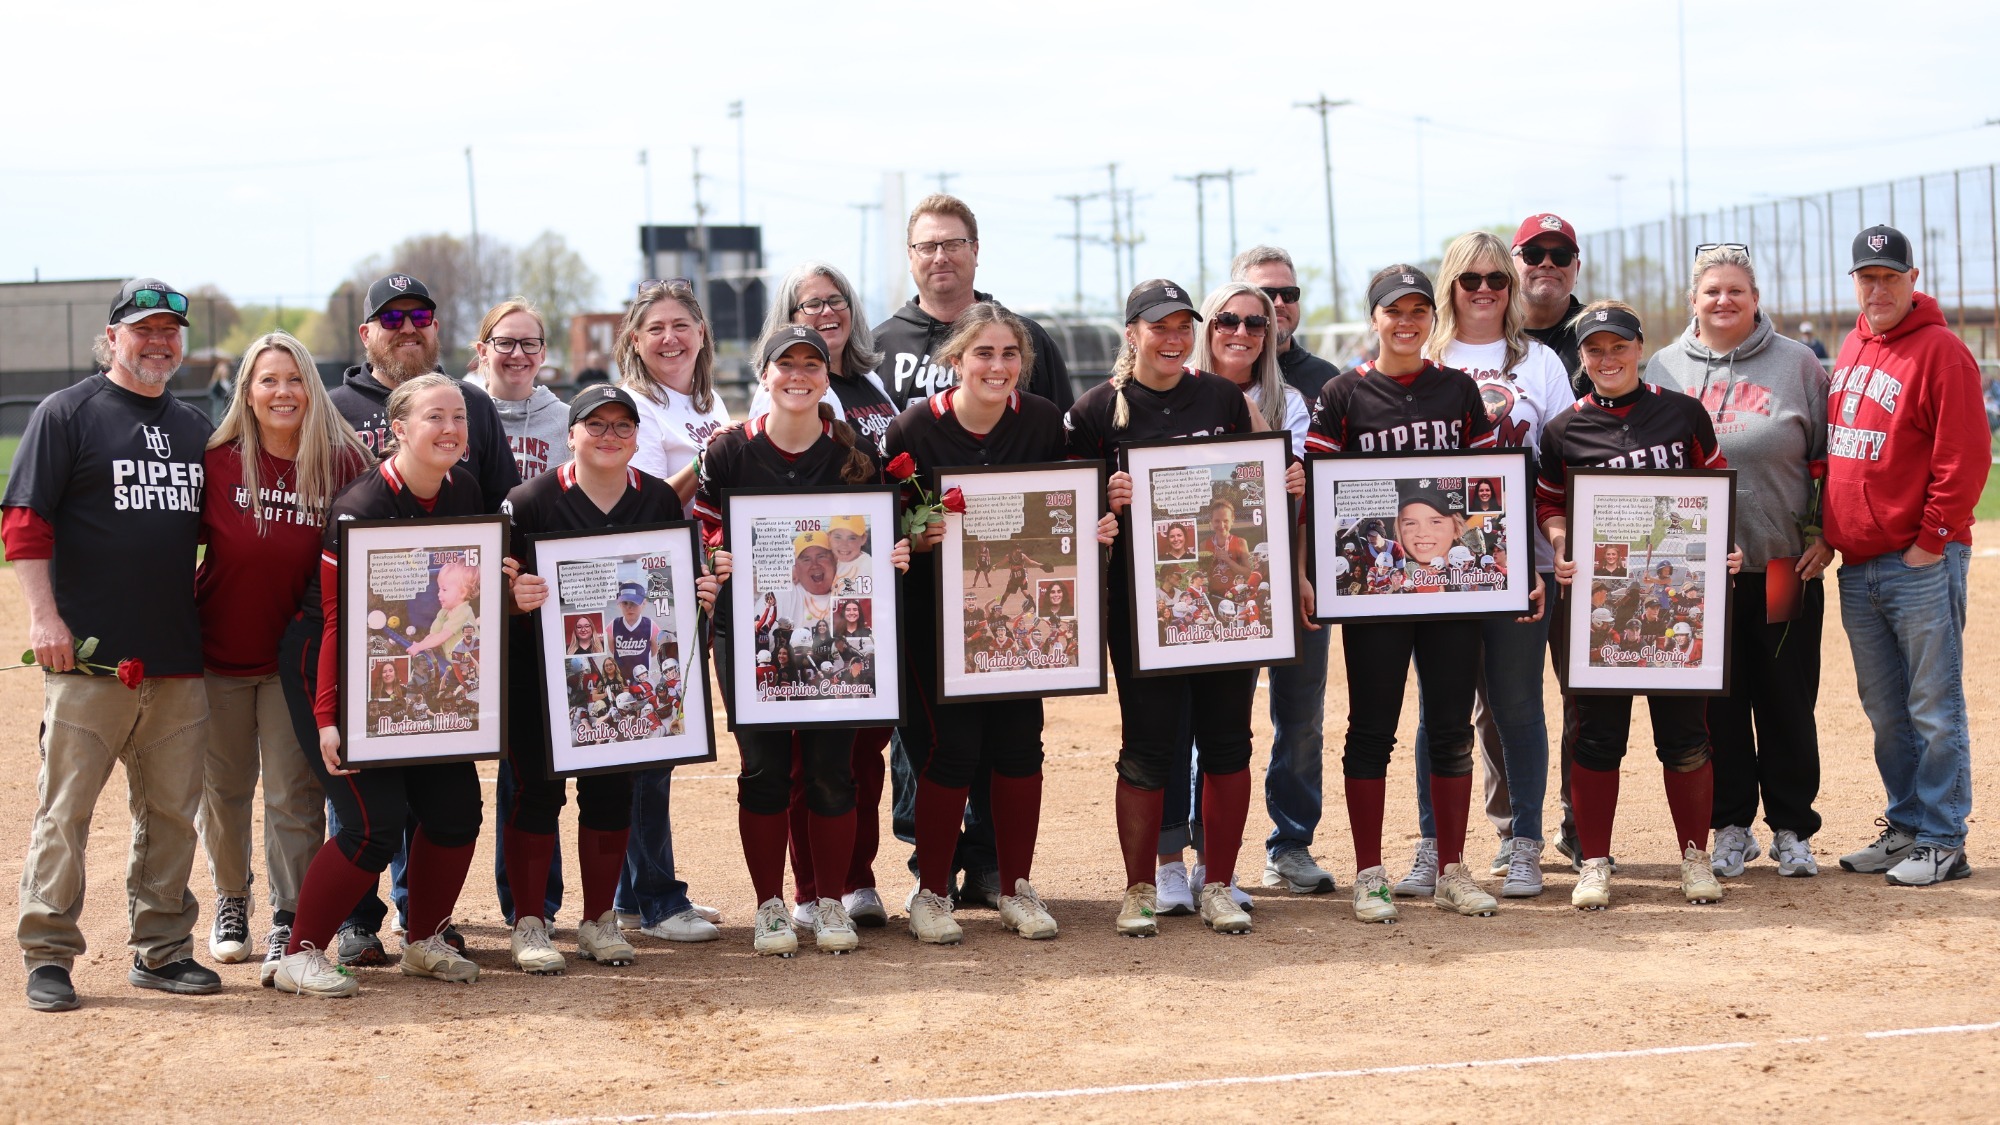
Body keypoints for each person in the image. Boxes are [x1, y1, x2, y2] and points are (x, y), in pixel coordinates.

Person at [5, 278, 220, 1012]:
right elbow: (25, 527)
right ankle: (48, 953)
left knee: (169, 814)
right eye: (144, 329)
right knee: (65, 812)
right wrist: (43, 618)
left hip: (176, 656)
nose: (158, 341)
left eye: (169, 331)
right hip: (89, 658)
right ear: (113, 336)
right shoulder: (66, 414)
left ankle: (160, 947)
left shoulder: (197, 428)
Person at [1066, 279, 1304, 938]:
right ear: (1132, 333)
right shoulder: (1095, 410)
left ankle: (1219, 883)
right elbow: (1066, 514)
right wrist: (1099, 502)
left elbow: (1264, 464)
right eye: (1158, 326)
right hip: (1143, 612)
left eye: (1181, 326)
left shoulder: (1222, 396)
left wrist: (1282, 475)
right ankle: (1141, 886)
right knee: (1146, 750)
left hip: (1226, 608)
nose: (1172, 338)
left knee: (1229, 742)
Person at [886, 301, 1118, 943]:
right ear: (954, 359)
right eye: (983, 353)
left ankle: (1015, 885)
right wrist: (919, 536)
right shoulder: (912, 430)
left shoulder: (1043, 422)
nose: (997, 365)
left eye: (1009, 354)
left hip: (1018, 623)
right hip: (937, 624)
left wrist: (1093, 522)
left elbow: (1065, 504)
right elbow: (893, 524)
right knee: (949, 750)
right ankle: (932, 892)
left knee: (1020, 746)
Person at [688, 324, 912, 956]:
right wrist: (714, 556)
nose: (799, 376)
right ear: (765, 376)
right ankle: (769, 906)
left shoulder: (853, 458)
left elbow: (870, 542)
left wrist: (889, 551)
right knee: (762, 771)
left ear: (825, 376)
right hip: (753, 632)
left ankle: (831, 902)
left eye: (811, 365)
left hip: (836, 635)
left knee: (831, 774)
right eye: (785, 365)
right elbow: (703, 528)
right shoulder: (729, 453)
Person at [265, 375, 491, 997]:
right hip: (333, 664)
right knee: (373, 822)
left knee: (454, 809)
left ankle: (423, 940)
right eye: (434, 418)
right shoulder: (360, 506)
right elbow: (338, 621)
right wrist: (329, 717)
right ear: (398, 429)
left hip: (411, 663)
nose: (450, 429)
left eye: (458, 418)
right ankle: (299, 952)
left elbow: (464, 601)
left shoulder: (464, 488)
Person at [324, 275, 521, 963]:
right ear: (368, 330)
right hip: (359, 638)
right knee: (367, 811)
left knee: (446, 799)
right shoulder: (337, 408)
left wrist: (502, 575)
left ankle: (424, 924)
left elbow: (494, 515)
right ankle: (350, 922)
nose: (408, 325)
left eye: (421, 314)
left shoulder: (469, 419)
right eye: (392, 315)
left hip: (437, 645)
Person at [499, 385, 729, 973]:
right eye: (594, 425)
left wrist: (701, 588)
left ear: (636, 438)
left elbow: (675, 582)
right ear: (570, 434)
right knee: (536, 795)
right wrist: (511, 596)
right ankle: (530, 920)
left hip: (624, 678)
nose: (608, 437)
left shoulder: (654, 498)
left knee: (610, 793)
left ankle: (600, 918)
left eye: (622, 427)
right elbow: (497, 588)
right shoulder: (529, 500)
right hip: (541, 676)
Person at [1305, 266, 1503, 924]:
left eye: (1419, 308)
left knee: (1449, 730)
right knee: (1371, 730)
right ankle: (1370, 873)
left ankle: (1450, 868)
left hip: (1450, 588)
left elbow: (1485, 492)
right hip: (1375, 591)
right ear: (1375, 318)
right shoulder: (1341, 394)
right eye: (1395, 310)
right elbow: (1317, 498)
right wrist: (1312, 570)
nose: (1408, 320)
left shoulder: (1459, 391)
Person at [1535, 302, 1741, 911]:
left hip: (1675, 600)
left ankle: (1694, 856)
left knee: (1683, 735)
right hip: (1603, 605)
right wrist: (1562, 544)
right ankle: (1595, 860)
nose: (1607, 358)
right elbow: (1549, 504)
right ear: (1581, 357)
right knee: (1595, 736)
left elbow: (1714, 484)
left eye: (1617, 346)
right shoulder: (1564, 430)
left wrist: (1723, 545)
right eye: (1594, 349)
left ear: (1639, 346)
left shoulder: (1680, 413)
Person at [1646, 244, 1832, 879]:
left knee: (1786, 699)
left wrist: (1820, 532)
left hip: (1783, 566)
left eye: (1737, 291)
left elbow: (1829, 460)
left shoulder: (1798, 365)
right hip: (1699, 579)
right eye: (1711, 291)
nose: (1724, 301)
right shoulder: (1663, 368)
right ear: (1693, 300)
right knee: (1717, 707)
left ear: (1756, 299)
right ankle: (1729, 826)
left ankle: (1791, 828)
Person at [1393, 231, 1567, 900]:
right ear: (1451, 286)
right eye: (1471, 279)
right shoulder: (1423, 356)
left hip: (1525, 560)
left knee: (1518, 702)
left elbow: (1556, 465)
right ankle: (1436, 846)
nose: (1486, 288)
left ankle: (1524, 844)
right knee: (1442, 707)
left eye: (1498, 277)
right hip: (1435, 565)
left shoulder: (1541, 362)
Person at [193, 331, 370, 984]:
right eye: (268, 379)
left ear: (312, 389)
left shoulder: (342, 462)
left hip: (294, 663)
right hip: (220, 653)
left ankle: (289, 918)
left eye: (295, 379)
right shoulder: (215, 461)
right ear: (247, 390)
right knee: (227, 789)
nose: (283, 392)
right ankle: (232, 900)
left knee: (294, 795)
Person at [1822, 225, 1990, 886]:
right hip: (1859, 564)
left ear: (1912, 280)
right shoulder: (1853, 344)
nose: (1878, 286)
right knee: (1887, 709)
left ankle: (1945, 837)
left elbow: (1965, 456)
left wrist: (1931, 540)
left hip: (1918, 560)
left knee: (1934, 705)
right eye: (1868, 276)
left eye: (1890, 275)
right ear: (1856, 283)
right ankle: (1908, 825)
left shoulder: (1942, 351)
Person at [1169, 280, 1336, 903]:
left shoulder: (1290, 400)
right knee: (1202, 722)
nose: (1240, 333)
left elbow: (1290, 505)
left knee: (1297, 719)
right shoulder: (1171, 392)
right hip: (1200, 584)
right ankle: (1193, 853)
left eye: (1255, 324)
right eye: (1226, 321)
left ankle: (1285, 845)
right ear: (1205, 327)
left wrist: (1296, 574)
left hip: (1267, 575)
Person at [873, 194, 1074, 412]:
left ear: (975, 251)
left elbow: (1063, 433)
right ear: (910, 257)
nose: (940, 257)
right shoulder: (877, 347)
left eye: (952, 244)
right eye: (927, 247)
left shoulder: (1026, 338)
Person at [752, 262, 897, 454]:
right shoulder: (782, 388)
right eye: (813, 305)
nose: (828, 311)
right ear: (789, 319)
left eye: (836, 300)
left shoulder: (870, 379)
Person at [617, 279, 732, 503]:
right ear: (636, 341)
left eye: (680, 326)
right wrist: (705, 461)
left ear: (700, 334)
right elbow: (649, 504)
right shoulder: (632, 406)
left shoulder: (711, 400)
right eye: (656, 329)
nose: (670, 338)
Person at [468, 298, 569, 481]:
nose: (518, 354)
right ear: (483, 352)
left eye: (529, 343)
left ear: (543, 353)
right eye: (505, 342)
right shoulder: (462, 417)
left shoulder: (568, 422)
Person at [1231, 246, 1344, 405]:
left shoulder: (1327, 379)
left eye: (1288, 294)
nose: (1279, 303)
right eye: (1266, 294)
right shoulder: (1218, 376)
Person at [1511, 214, 1587, 393]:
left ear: (1577, 268)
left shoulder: (1596, 332)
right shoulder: (1488, 332)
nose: (1547, 263)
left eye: (1561, 256)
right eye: (1532, 254)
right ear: (1510, 265)